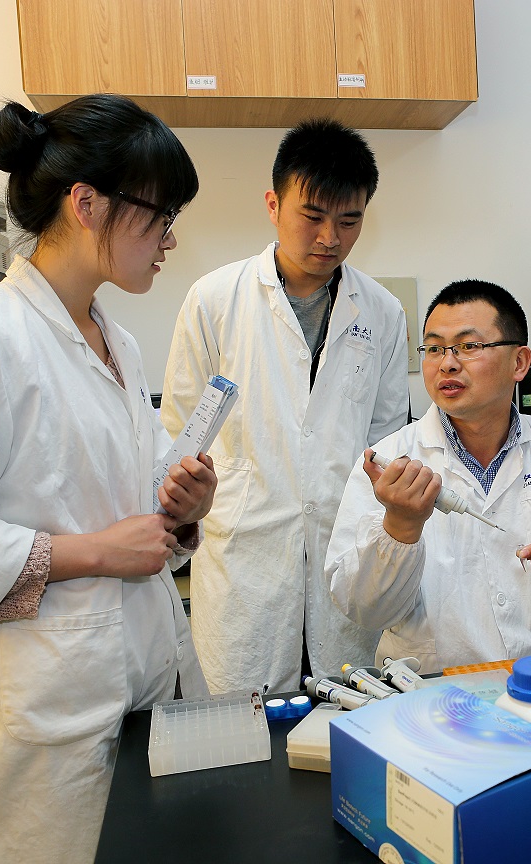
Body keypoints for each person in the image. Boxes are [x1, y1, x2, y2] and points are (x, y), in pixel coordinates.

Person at [0, 94, 216, 863]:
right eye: (159, 215)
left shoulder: (118, 343)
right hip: (29, 742)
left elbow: (128, 500)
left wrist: (183, 504)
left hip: (129, 702)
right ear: (86, 205)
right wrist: (94, 552)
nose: (169, 239)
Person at [163, 118, 409, 693]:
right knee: (244, 724)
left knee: (344, 717)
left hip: (342, 553)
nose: (330, 237)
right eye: (313, 216)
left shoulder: (382, 312)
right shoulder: (214, 299)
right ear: (273, 205)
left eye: (349, 221)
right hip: (244, 557)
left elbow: (385, 441)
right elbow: (179, 435)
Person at [326, 280, 531, 672]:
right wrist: (399, 528)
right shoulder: (387, 465)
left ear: (519, 362)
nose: (447, 363)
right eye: (434, 348)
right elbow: (362, 609)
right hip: (434, 690)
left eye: (469, 346)